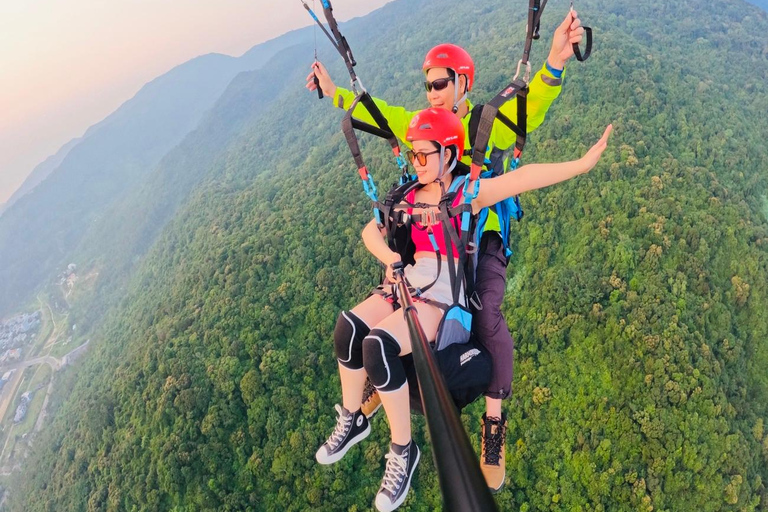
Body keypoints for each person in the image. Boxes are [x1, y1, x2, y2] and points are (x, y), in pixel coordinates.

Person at [307, 11, 587, 492]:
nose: (432, 93)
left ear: (462, 83)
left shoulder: (484, 122)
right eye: (428, 86)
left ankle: (493, 424)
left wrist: (556, 62)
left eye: (440, 84)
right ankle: (379, 373)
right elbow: (379, 115)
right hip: (435, 240)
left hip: (479, 231)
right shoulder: (425, 128)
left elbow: (530, 107)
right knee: (389, 299)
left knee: (488, 312)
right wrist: (334, 92)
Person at [315, 108, 612, 511]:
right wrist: (390, 257)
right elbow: (371, 230)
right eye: (413, 155)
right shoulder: (405, 196)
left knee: (377, 346)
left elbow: (520, 178)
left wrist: (581, 164)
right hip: (406, 277)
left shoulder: (465, 196)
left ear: (449, 155)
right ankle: (353, 417)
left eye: (425, 155)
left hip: (441, 294)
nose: (417, 164)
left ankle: (403, 450)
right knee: (348, 328)